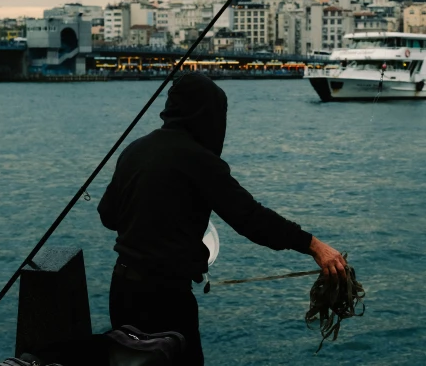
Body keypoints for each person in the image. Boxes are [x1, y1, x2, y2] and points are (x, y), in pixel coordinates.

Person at [98, 72, 347, 365]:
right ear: (208, 115)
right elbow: (251, 219)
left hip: (123, 292)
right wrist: (314, 246)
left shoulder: (134, 150)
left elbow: (108, 215)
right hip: (165, 299)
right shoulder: (199, 160)